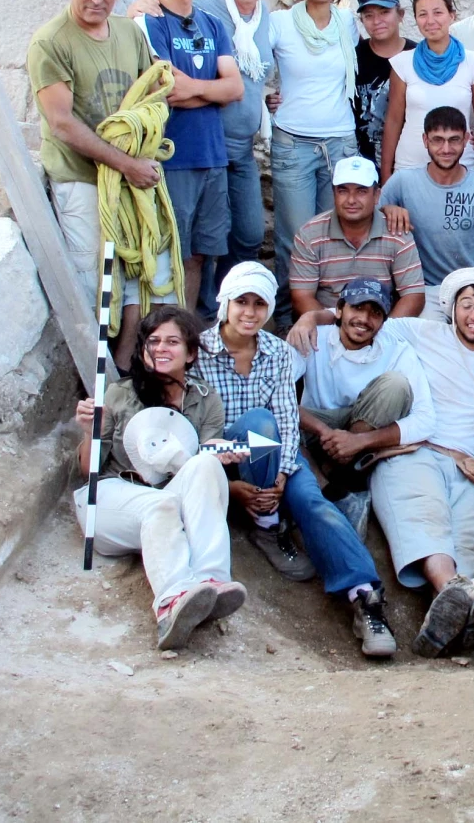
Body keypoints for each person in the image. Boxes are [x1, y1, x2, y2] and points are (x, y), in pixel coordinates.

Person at [293, 268, 474, 658]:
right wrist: (312, 316)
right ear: (451, 309)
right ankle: (455, 600)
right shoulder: (418, 333)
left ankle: (447, 617)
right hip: (416, 452)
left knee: (465, 538)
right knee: (423, 518)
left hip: (470, 467)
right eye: (467, 305)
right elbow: (362, 321)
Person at [194, 262, 398, 658]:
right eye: (242, 302)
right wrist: (231, 487)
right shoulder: (199, 352)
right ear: (225, 302)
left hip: (275, 457)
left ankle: (365, 598)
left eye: (259, 304)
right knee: (258, 421)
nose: (250, 312)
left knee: (313, 503)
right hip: (219, 460)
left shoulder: (276, 353)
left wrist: (285, 472)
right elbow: (190, 428)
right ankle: (267, 525)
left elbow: (289, 419)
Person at [28, 0, 179, 370]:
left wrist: (143, 133)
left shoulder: (128, 34)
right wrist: (125, 163)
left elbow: (151, 89)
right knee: (92, 276)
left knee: (139, 268)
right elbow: (61, 123)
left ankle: (125, 362)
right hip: (81, 175)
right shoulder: (50, 42)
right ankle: (88, 373)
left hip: (129, 174)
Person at [72, 306, 247, 650]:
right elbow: (86, 469)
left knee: (208, 466)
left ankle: (213, 580)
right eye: (153, 341)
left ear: (191, 352)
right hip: (114, 496)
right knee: (161, 504)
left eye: (172, 341)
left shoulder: (206, 399)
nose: (162, 349)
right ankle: (171, 603)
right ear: (142, 350)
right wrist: (90, 431)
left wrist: (220, 448)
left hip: (165, 498)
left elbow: (203, 452)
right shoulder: (119, 394)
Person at [134, 0, 244, 312]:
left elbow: (235, 89)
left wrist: (197, 90)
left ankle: (188, 326)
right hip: (173, 157)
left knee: (201, 255)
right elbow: (167, 90)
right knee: (172, 256)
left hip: (212, 155)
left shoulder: (212, 26)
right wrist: (210, 91)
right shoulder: (150, 21)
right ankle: (166, 332)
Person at [295, 277, 436, 531]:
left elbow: (426, 419)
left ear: (383, 321)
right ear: (339, 310)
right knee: (271, 420)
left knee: (395, 384)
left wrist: (359, 441)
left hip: (362, 435)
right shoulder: (314, 335)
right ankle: (331, 491)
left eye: (375, 313)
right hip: (317, 427)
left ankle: (338, 471)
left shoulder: (397, 349)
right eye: (357, 308)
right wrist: (324, 431)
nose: (364, 319)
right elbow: (275, 395)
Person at [268, 0, 360, 326]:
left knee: (336, 235)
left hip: (340, 143)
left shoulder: (348, 23)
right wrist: (264, 99)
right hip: (294, 142)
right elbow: (252, 65)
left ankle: (330, 319)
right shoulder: (278, 22)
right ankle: (290, 322)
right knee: (295, 236)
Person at [192, 0, 279, 315]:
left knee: (248, 233)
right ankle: (205, 313)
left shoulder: (265, 19)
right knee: (206, 237)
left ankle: (226, 302)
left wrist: (266, 100)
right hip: (204, 144)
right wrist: (138, 5)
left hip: (242, 146)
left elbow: (258, 74)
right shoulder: (204, 7)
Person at [380, 106, 474, 319]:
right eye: (437, 140)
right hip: (426, 290)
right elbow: (365, 218)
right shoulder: (402, 183)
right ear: (425, 140)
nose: (446, 148)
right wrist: (386, 210)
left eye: (454, 139)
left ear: (466, 139)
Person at [289, 156, 426, 321]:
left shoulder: (396, 232)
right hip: (326, 324)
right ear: (334, 194)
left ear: (376, 195)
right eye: (343, 190)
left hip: (381, 326)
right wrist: (341, 332)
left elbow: (414, 296)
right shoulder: (310, 235)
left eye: (361, 191)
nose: (351, 200)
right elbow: (302, 297)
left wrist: (383, 334)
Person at [381, 0, 474, 182]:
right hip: (409, 167)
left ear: (452, 15)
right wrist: (386, 176)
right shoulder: (402, 63)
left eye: (438, 12)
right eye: (423, 14)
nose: (430, 21)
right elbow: (394, 122)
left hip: (462, 167)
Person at [353, 0, 415, 166]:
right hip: (361, 161)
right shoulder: (352, 59)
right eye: (368, 15)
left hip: (409, 159)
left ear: (400, 15)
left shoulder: (417, 55)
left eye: (384, 12)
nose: (377, 21)